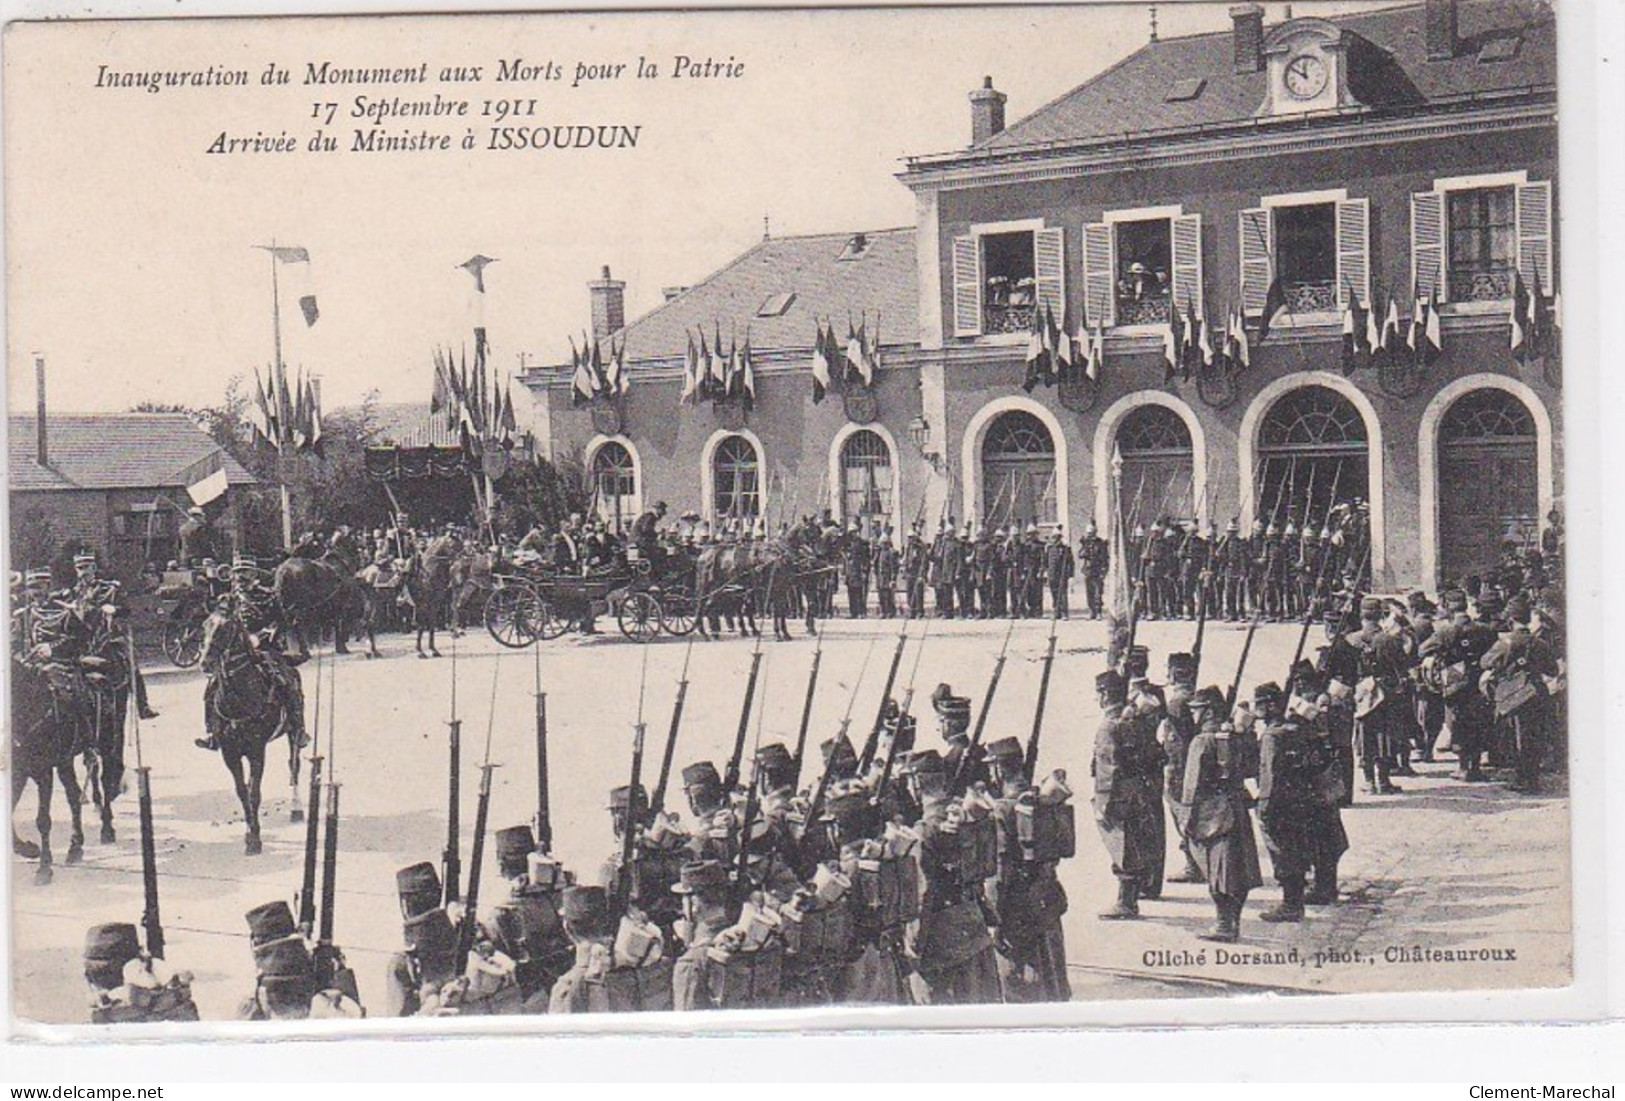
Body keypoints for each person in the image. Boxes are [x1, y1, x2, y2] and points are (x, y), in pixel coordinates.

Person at [1180, 685, 1263, 943]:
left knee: (1219, 870)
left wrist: (1186, 820)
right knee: (1238, 868)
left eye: (1197, 710)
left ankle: (1225, 925)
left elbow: (1191, 786)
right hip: (1237, 808)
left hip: (1212, 814)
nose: (1194, 716)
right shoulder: (1234, 736)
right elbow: (1252, 768)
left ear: (1207, 712)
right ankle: (1232, 922)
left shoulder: (1202, 741)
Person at [1091, 670, 1163, 920]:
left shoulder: (1109, 727)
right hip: (1139, 790)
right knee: (1136, 842)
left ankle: (1127, 902)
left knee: (1122, 845)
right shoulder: (1137, 720)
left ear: (1104, 695)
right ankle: (1133, 896)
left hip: (1118, 795)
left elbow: (1107, 769)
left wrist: (1103, 804)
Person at [1347, 597, 1409, 795]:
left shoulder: (1351, 639)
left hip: (1360, 693)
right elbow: (1402, 664)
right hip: (1386, 692)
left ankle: (1369, 781)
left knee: (1364, 735)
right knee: (1385, 735)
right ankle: (1384, 781)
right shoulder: (1389, 639)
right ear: (1381, 615)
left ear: (1361, 616)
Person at [1078, 521, 1108, 619]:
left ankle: (1098, 611)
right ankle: (1092, 611)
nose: (1090, 535)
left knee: (1098, 592)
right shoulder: (1085, 543)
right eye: (1088, 534)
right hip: (1088, 570)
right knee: (1089, 592)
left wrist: (1104, 570)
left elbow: (1104, 557)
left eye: (1091, 533)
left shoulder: (1100, 543)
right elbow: (1080, 555)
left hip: (1097, 570)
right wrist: (1084, 549)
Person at [1043, 528, 1073, 619]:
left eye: (1058, 537)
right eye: (1054, 537)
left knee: (1063, 593)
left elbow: (1070, 561)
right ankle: (1057, 612)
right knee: (1054, 593)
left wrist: (1071, 574)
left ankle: (1064, 612)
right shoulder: (1049, 547)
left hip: (1062, 573)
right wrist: (1045, 572)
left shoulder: (1065, 548)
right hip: (1052, 574)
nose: (1056, 538)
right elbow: (1045, 561)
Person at [873, 528, 899, 619]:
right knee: (881, 596)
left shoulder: (890, 553)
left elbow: (893, 567)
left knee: (888, 595)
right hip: (880, 577)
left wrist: (893, 579)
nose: (883, 545)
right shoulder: (879, 553)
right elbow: (875, 565)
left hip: (887, 577)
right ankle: (883, 611)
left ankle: (890, 612)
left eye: (885, 543)